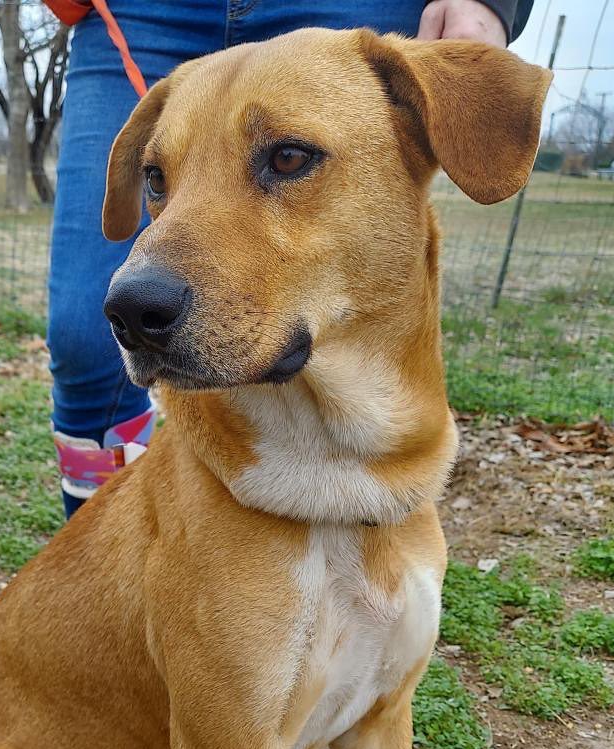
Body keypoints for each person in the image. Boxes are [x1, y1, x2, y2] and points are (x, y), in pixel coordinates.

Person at [45, 0, 534, 515]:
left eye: (287, 159)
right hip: (141, 10)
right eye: (158, 179)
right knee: (84, 337)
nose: (137, 290)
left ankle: (374, 499)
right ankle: (100, 524)